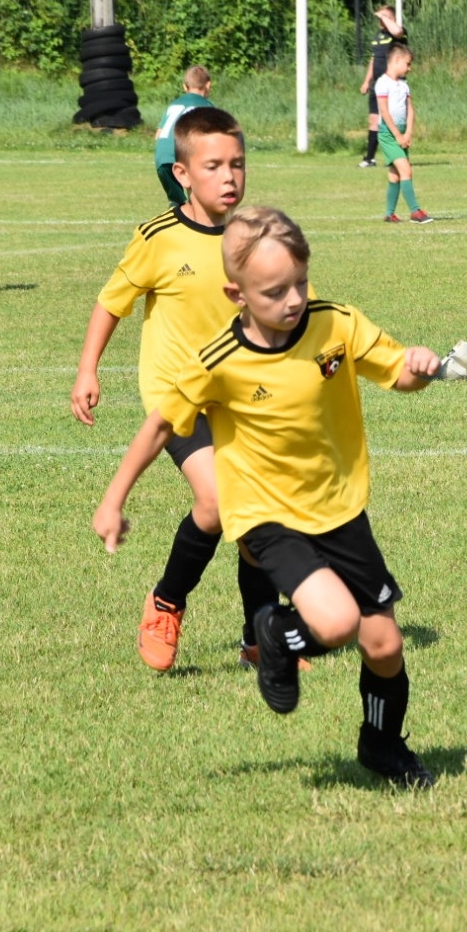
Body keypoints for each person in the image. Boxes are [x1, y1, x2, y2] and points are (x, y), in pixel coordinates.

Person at [93, 206, 442, 788]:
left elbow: (397, 373)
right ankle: (275, 633)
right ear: (237, 294)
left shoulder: (336, 325)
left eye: (300, 282)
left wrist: (420, 368)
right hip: (266, 515)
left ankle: (381, 747)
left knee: (384, 644)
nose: (294, 299)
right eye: (274, 291)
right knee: (336, 623)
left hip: (338, 508)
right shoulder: (219, 361)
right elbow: (161, 425)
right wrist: (113, 499)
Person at [72, 106, 281, 673]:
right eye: (213, 166)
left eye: (238, 164)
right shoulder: (158, 238)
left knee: (256, 517)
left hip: (239, 397)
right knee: (215, 502)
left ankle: (260, 638)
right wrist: (88, 369)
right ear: (182, 173)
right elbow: (111, 302)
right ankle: (166, 602)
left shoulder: (255, 236)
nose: (229, 177)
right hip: (177, 397)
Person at [374, 44, 432, 224]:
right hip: (388, 134)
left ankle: (389, 214)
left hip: (401, 133)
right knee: (406, 170)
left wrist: (407, 133)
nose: (410, 68)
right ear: (397, 60)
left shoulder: (404, 85)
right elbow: (384, 112)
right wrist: (398, 136)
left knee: (396, 173)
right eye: (408, 64)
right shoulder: (383, 83)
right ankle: (415, 212)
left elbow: (410, 110)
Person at [154, 65, 212, 206]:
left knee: (177, 203)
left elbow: (158, 135)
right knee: (197, 201)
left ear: (185, 86)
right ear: (208, 85)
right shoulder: (207, 106)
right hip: (184, 155)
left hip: (162, 158)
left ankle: (176, 213)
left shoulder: (173, 105)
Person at [358, 5, 407, 169]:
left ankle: (397, 155)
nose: (380, 19)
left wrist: (385, 17)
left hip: (393, 85)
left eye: (384, 16)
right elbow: (374, 59)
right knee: (374, 119)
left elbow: (397, 31)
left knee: (394, 119)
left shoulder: (398, 33)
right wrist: (367, 81)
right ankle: (369, 158)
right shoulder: (378, 35)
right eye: (379, 17)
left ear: (392, 18)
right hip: (377, 84)